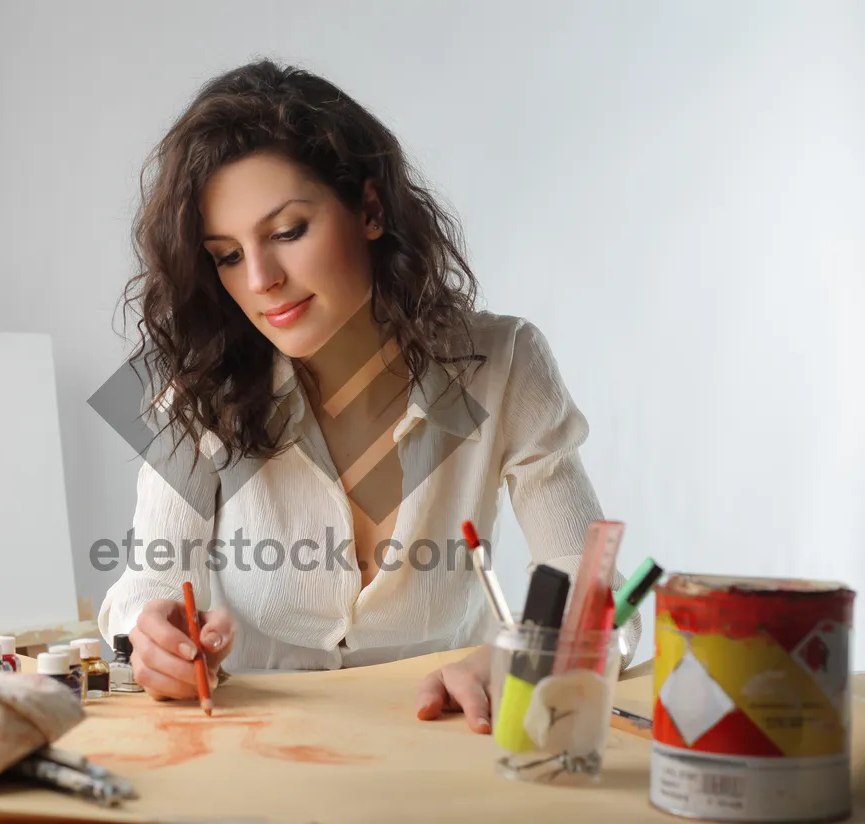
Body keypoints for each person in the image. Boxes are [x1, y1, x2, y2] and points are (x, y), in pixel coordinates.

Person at [96, 59, 640, 733]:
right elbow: (148, 581)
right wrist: (148, 633)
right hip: (261, 760)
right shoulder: (198, 385)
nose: (261, 278)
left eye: (289, 231)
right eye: (228, 255)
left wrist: (526, 654)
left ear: (372, 210)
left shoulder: (501, 364)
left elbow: (592, 588)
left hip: (448, 745)